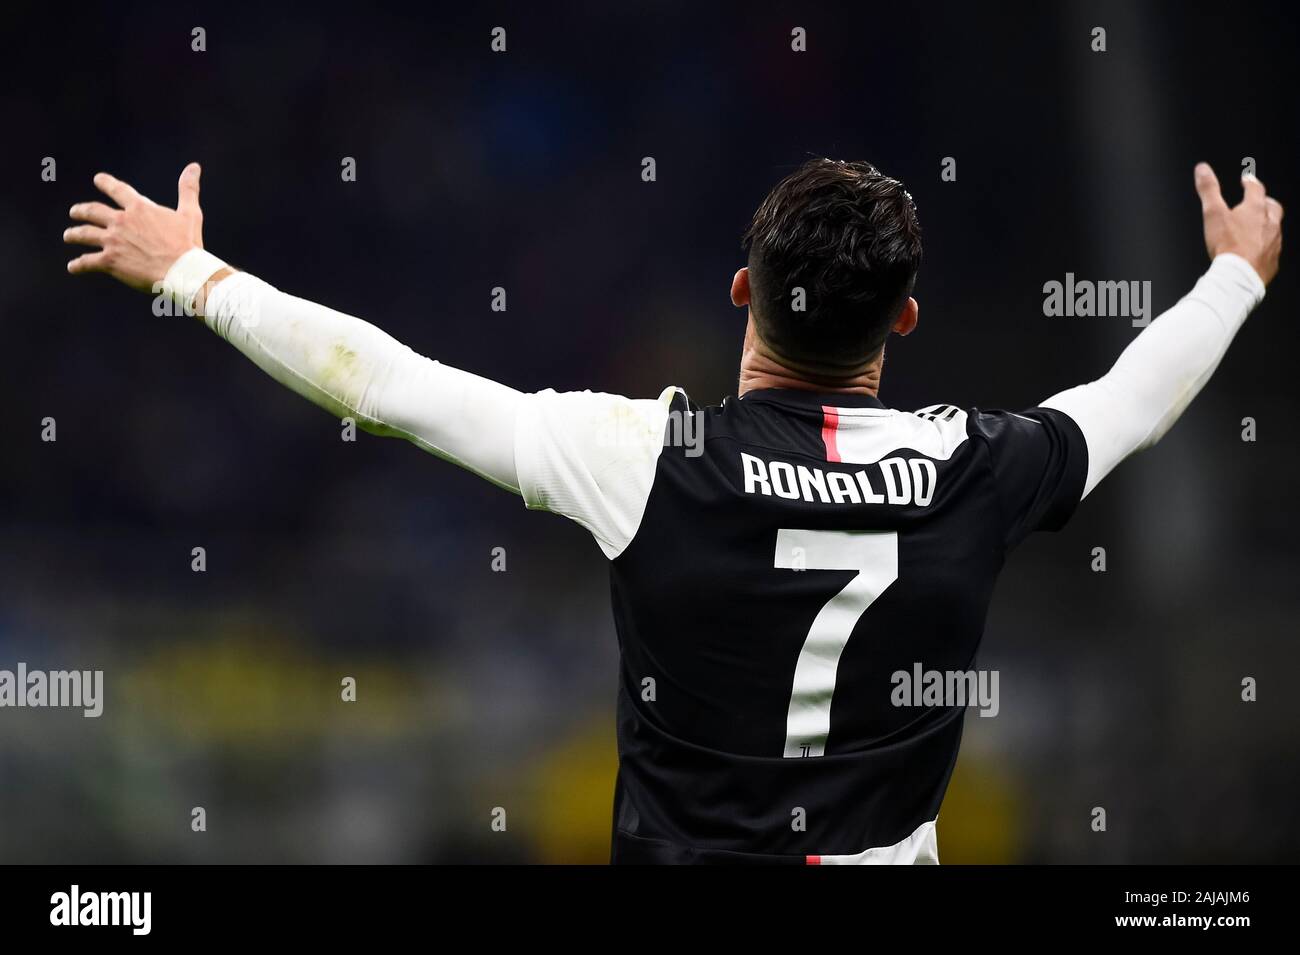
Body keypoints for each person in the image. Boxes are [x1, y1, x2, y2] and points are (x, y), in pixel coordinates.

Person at [64, 157, 1282, 863]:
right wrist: (1234, 274)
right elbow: (1133, 399)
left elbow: (387, 385)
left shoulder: (646, 456)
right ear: (901, 320)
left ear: (743, 289)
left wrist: (194, 274)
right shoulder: (983, 468)